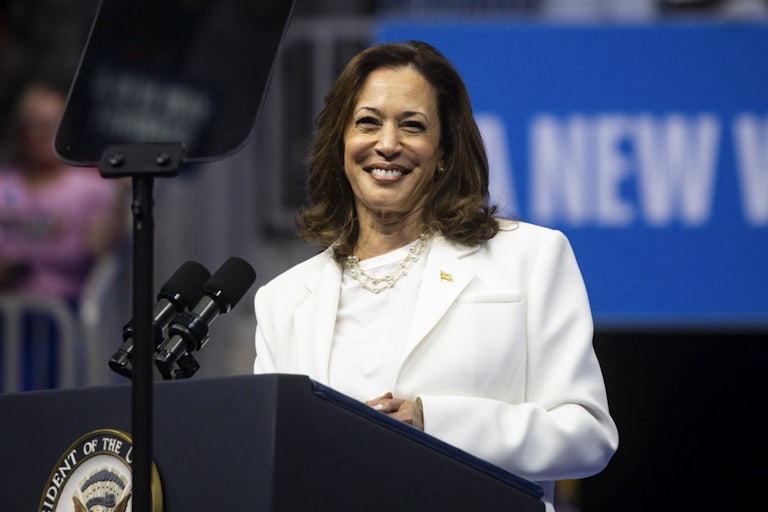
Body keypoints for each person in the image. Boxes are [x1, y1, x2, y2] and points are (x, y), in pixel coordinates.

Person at [253, 40, 618, 511]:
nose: (387, 143)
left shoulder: (530, 257)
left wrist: (433, 422)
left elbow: (587, 435)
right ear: (341, 144)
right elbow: (273, 463)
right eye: (367, 122)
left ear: (443, 151)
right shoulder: (284, 300)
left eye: (412, 125)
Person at [0, 80, 127, 389]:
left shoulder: (91, 186)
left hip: (64, 318)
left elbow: (98, 248)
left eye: (52, 124)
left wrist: (121, 196)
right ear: (21, 130)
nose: (44, 133)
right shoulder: (5, 184)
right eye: (36, 124)